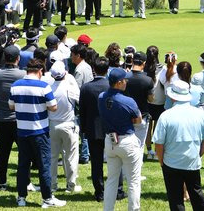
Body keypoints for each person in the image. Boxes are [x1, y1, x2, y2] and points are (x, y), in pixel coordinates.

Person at [9, 58, 66, 208]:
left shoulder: (15, 86)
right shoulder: (44, 86)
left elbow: (11, 106)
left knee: (23, 165)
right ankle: (47, 198)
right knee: (44, 165)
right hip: (39, 132)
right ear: (40, 71)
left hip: (22, 131)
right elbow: (53, 107)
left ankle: (21, 197)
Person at [153, 80, 204, 211]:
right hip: (192, 161)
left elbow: (158, 144)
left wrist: (161, 160)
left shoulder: (166, 116)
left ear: (172, 96)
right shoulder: (199, 113)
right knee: (196, 194)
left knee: (175, 199)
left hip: (171, 163)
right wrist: (199, 154)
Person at [79, 57, 126, 202]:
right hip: (111, 130)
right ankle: (117, 191)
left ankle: (99, 192)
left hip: (93, 130)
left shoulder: (86, 87)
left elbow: (82, 111)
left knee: (96, 163)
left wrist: (83, 130)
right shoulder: (111, 87)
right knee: (116, 160)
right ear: (107, 70)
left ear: (94, 69)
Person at [98, 68, 143, 211]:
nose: (126, 82)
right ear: (118, 83)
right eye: (125, 80)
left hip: (110, 141)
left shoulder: (101, 97)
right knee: (133, 181)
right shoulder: (128, 101)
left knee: (111, 180)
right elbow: (138, 121)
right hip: (126, 141)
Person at [43, 61, 82, 193]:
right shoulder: (70, 87)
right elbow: (80, 101)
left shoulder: (48, 88)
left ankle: (53, 184)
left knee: (53, 157)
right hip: (68, 124)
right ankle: (70, 185)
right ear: (65, 73)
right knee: (71, 156)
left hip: (52, 125)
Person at [0, 45, 27, 190]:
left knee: (3, 152)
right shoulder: (22, 74)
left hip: (3, 119)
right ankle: (25, 181)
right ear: (18, 58)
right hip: (19, 119)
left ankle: (2, 182)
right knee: (24, 153)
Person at [124, 51, 154, 148]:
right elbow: (151, 99)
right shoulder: (148, 80)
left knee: (126, 144)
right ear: (144, 63)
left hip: (126, 115)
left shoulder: (124, 77)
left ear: (132, 61)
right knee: (139, 146)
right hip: (141, 116)